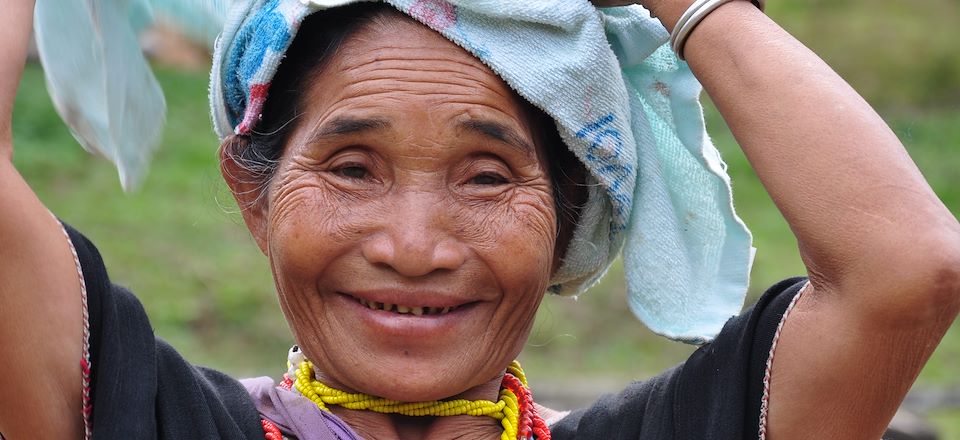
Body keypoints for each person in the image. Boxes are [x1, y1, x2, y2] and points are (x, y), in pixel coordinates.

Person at [2, 0, 958, 439]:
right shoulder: (141, 418)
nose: (413, 246)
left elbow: (906, 269)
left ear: (570, 212)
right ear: (254, 192)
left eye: (488, 177)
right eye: (351, 168)